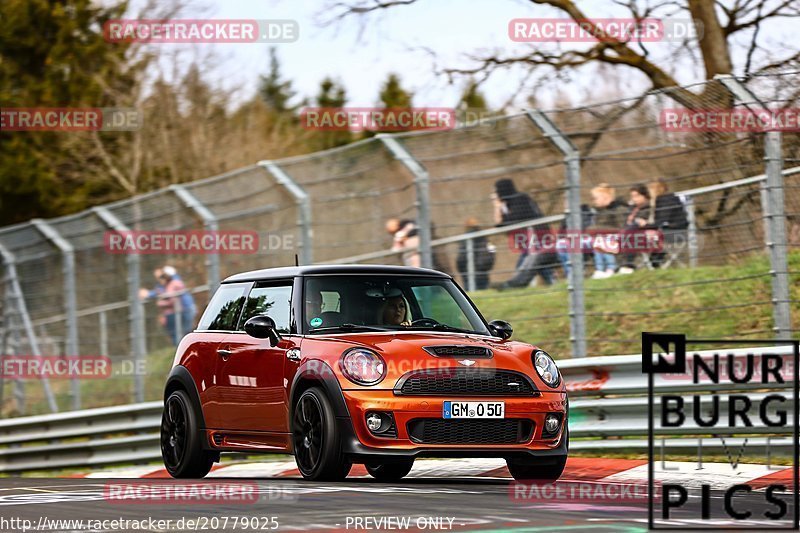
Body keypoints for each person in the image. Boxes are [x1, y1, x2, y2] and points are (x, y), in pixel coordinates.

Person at [646, 179, 689, 268]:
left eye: (650, 189)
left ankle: (655, 264)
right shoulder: (660, 201)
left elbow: (661, 221)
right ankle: (655, 264)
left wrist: (645, 225)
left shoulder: (666, 201)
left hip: (676, 233)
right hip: (667, 232)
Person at [589, 184, 627, 279]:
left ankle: (608, 268)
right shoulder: (599, 212)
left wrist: (599, 230)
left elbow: (622, 229)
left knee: (601, 239)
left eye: (596, 198)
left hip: (617, 239)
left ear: (605, 197)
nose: (594, 201)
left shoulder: (618, 209)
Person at [155, 266, 196, 345]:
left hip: (184, 310)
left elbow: (171, 299)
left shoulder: (173, 284)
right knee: (182, 332)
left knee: (184, 332)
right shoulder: (173, 283)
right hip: (183, 310)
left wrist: (160, 303)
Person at [618, 185, 652, 274]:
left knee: (630, 234)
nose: (634, 199)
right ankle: (619, 266)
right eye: (632, 196)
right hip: (630, 232)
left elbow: (646, 221)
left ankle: (628, 265)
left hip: (644, 233)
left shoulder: (649, 207)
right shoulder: (632, 208)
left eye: (637, 196)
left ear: (644, 195)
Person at [456, 218, 496, 290]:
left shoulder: (465, 239)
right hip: (482, 270)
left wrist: (461, 269)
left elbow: (461, 258)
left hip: (468, 271)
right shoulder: (485, 238)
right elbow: (492, 250)